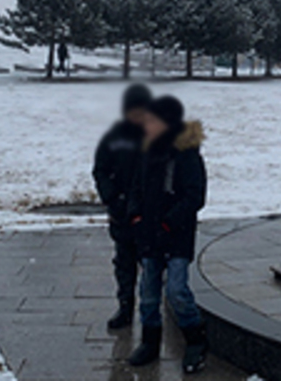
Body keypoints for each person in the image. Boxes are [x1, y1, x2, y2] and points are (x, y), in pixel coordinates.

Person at [126, 95, 209, 374]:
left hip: (176, 234)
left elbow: (195, 196)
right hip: (149, 233)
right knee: (148, 292)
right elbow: (136, 188)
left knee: (177, 290)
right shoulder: (147, 152)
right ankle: (150, 342)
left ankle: (195, 340)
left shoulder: (187, 154)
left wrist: (169, 223)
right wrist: (136, 216)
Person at [92, 83, 152, 329]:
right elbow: (101, 170)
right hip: (121, 212)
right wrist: (112, 198)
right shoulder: (114, 137)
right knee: (124, 264)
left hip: (149, 214)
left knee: (151, 265)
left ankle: (153, 311)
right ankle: (125, 307)